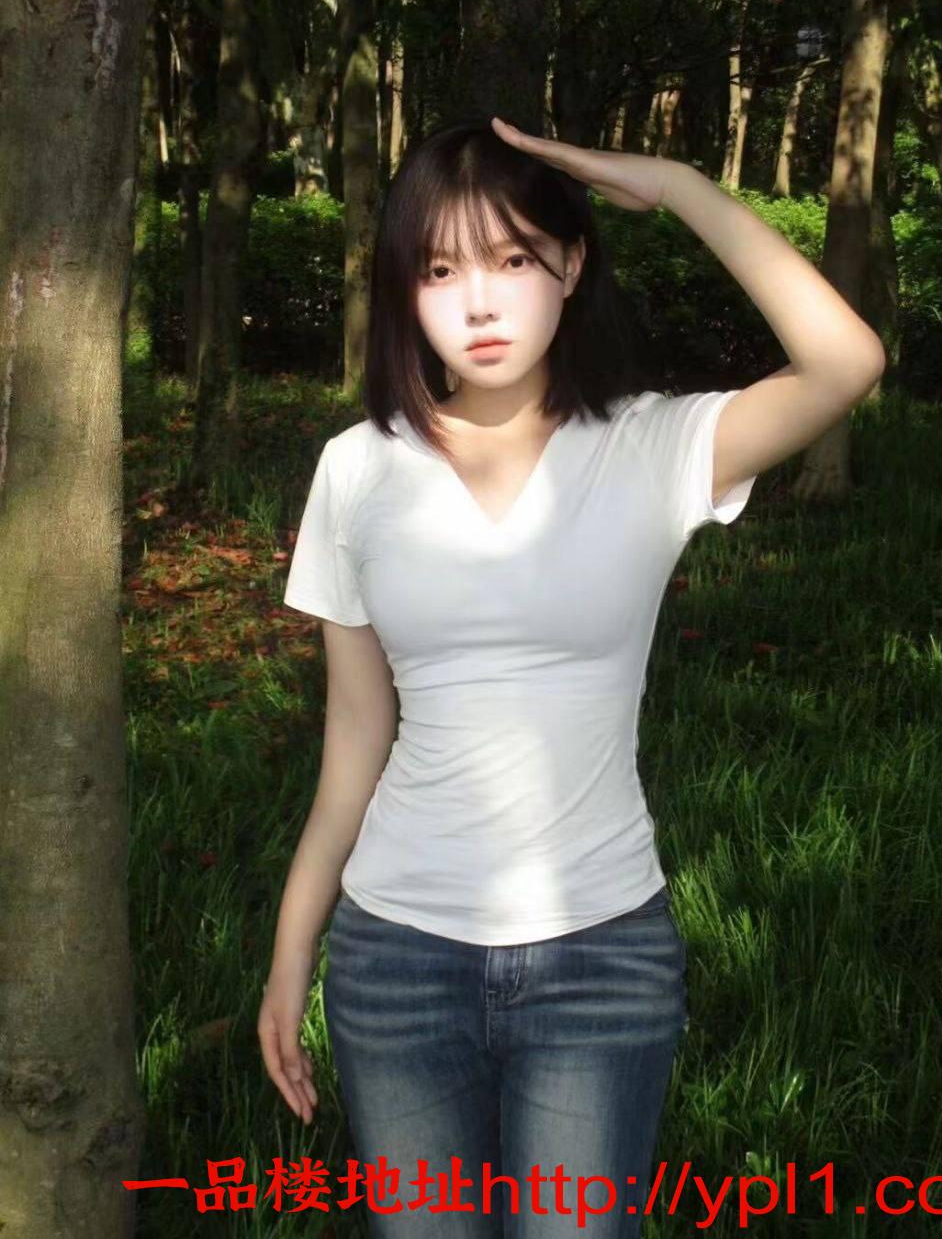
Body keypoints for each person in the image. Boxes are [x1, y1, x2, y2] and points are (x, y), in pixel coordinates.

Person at [258, 117, 885, 1236]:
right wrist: (290, 951)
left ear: (571, 265)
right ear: (404, 290)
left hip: (600, 957)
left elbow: (846, 363)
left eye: (512, 259)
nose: (479, 304)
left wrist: (679, 184)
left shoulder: (651, 447)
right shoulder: (356, 470)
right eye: (440, 270)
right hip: (395, 959)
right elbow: (353, 738)